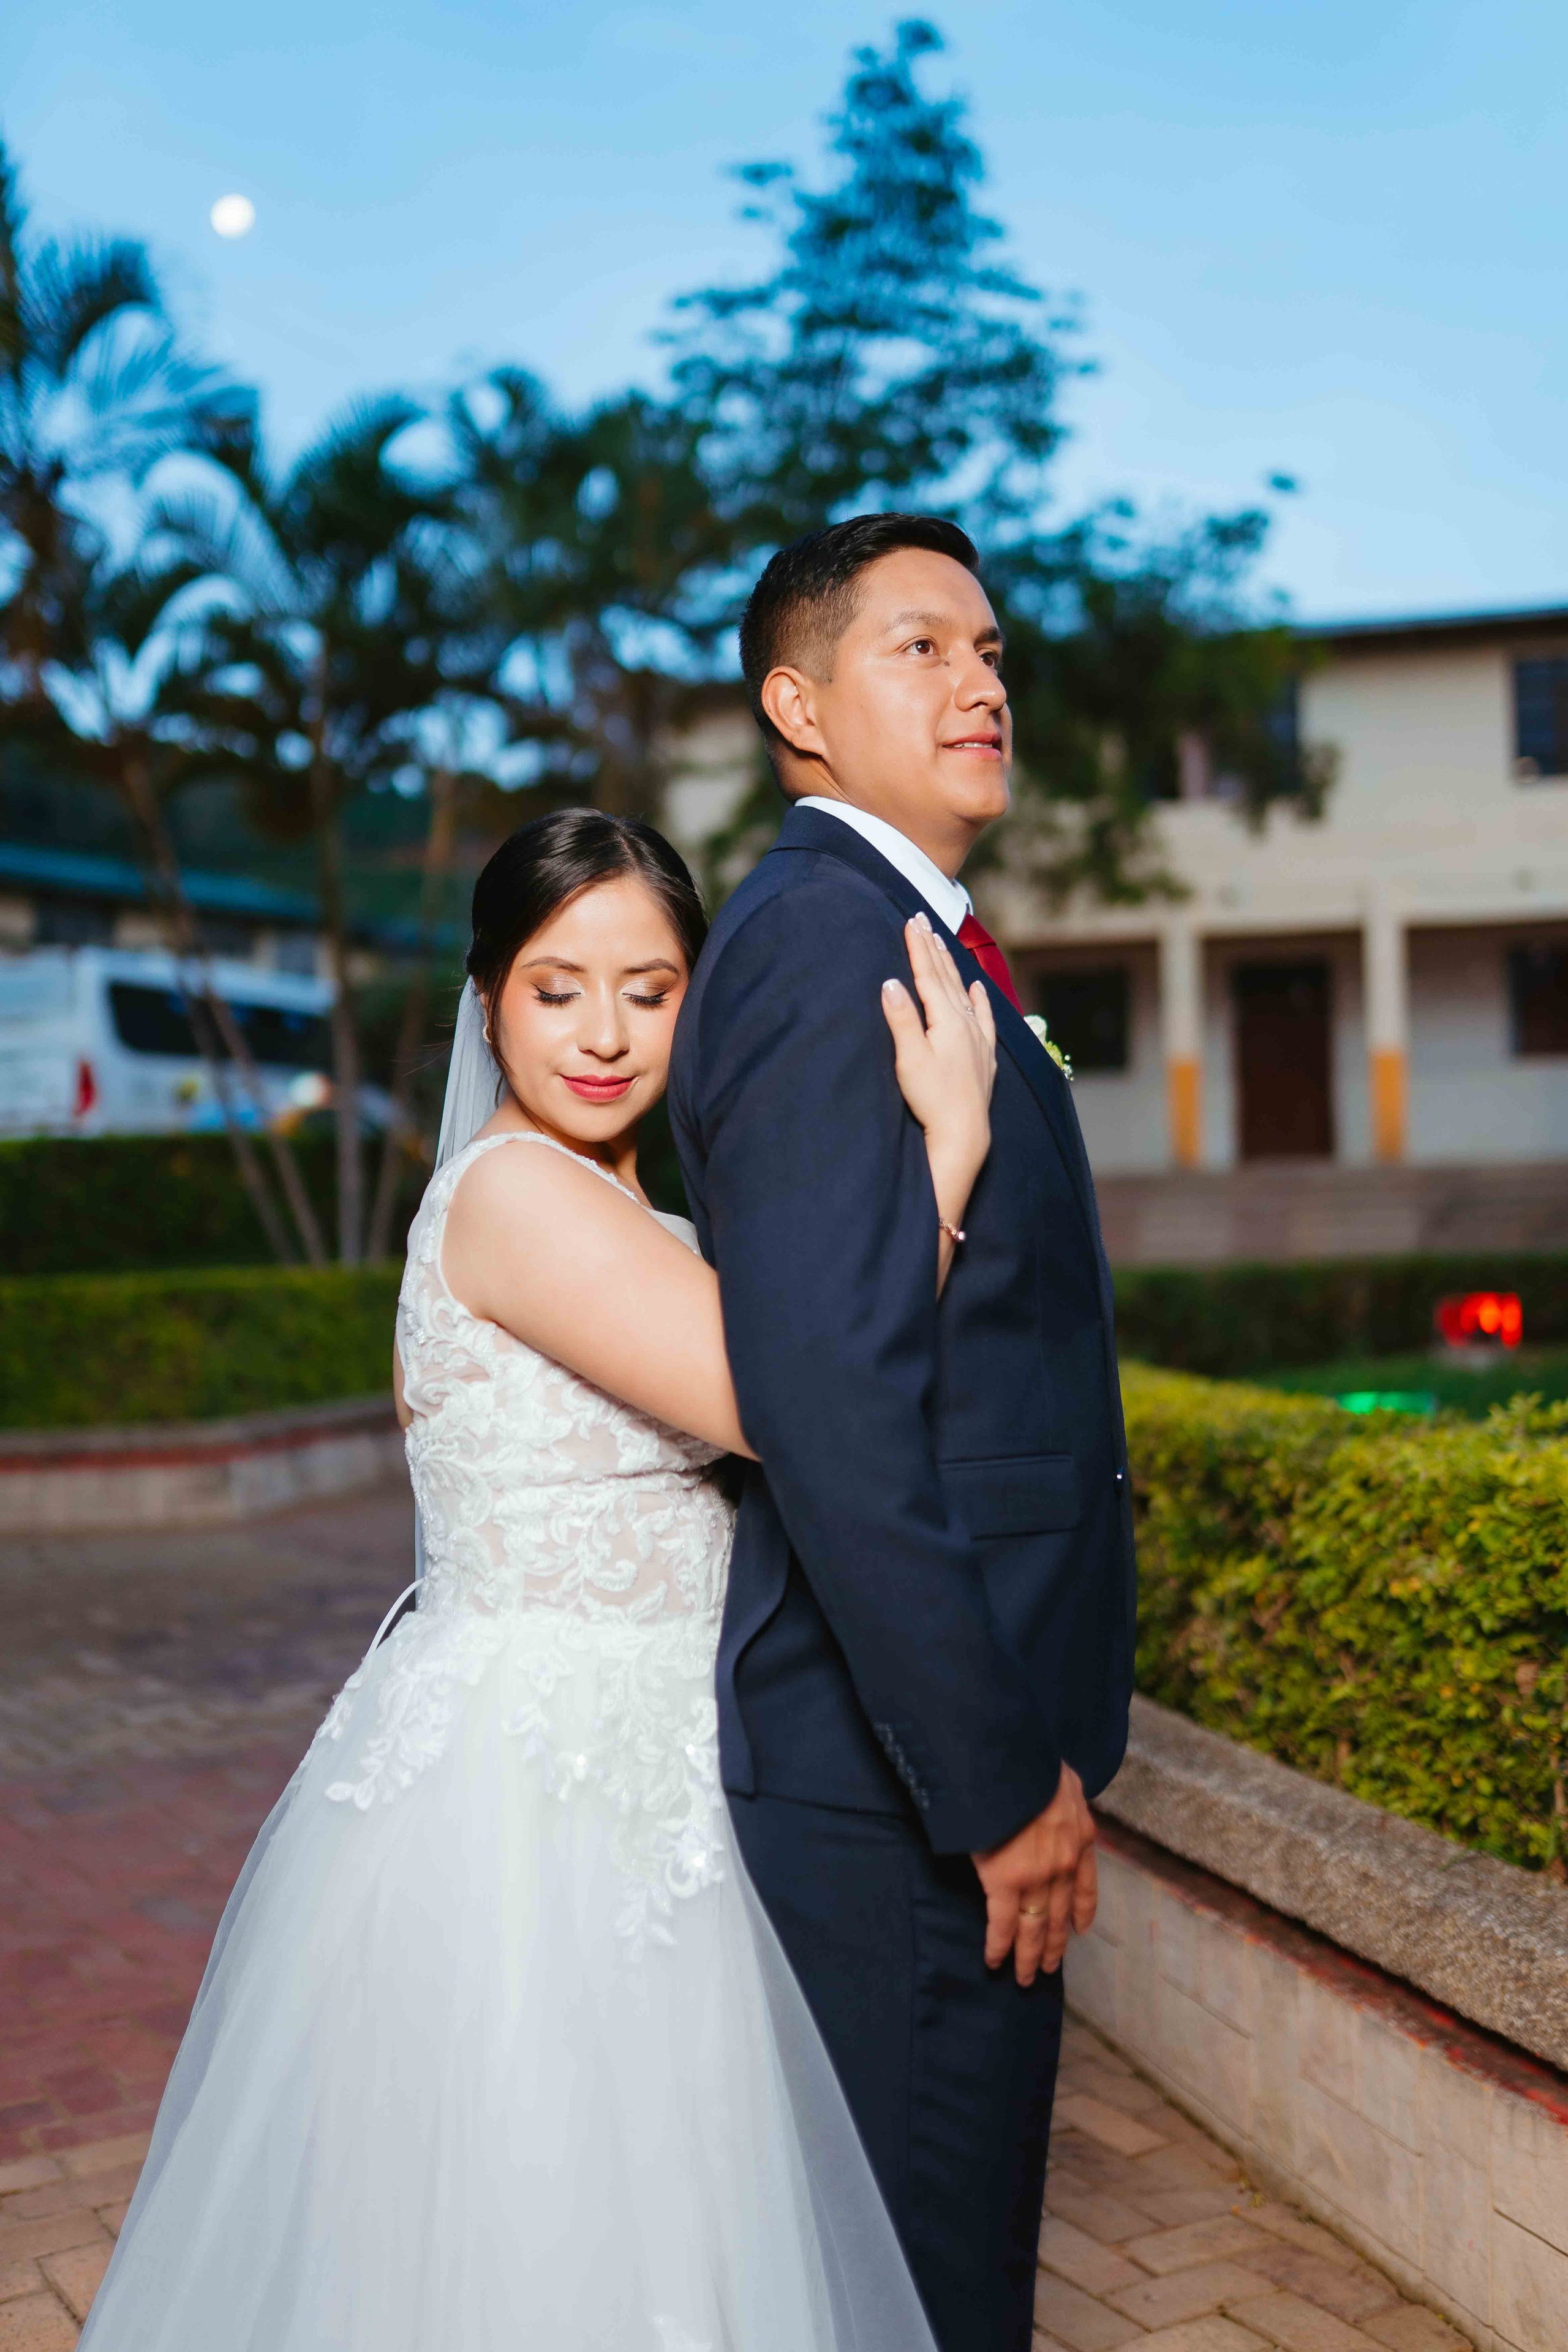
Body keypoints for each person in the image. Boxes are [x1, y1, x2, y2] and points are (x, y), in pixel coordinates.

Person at [78, 807, 997, 2352]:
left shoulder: (624, 1209)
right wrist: (948, 1153)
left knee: (661, 2224)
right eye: (556, 988)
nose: (604, 1034)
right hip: (550, 1793)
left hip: (652, 1753)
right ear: (488, 1000)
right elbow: (787, 1401)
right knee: (561, 2216)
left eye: (650, 990)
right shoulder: (515, 1195)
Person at [668, 513, 1137, 2352]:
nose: (980, 682)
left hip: (944, 1760)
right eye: (920, 648)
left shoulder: (910, 933)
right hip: (904, 1800)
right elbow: (834, 1407)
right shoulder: (817, 946)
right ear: (799, 707)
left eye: (990, 649)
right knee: (926, 2300)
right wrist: (994, 1785)